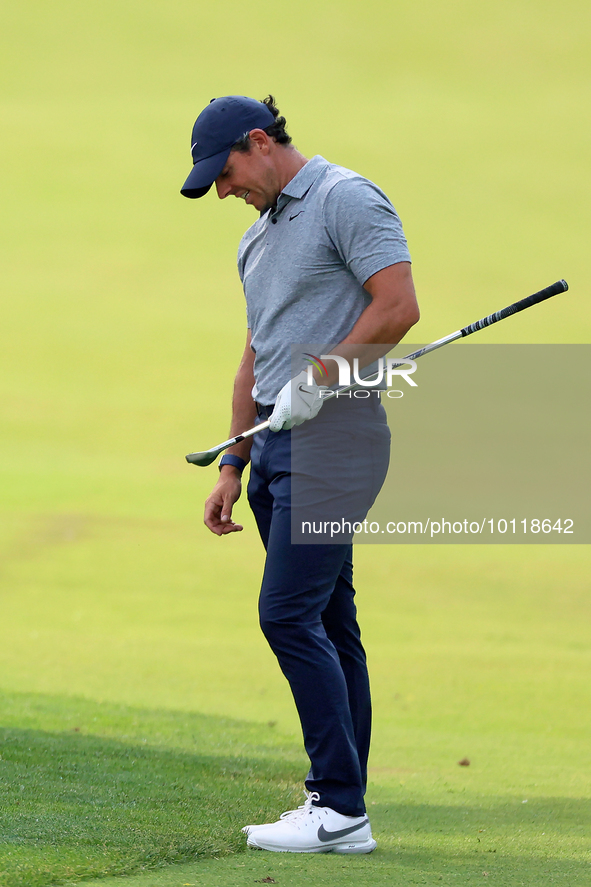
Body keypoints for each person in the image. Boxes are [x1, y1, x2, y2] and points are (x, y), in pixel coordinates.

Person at [181, 95, 419, 854]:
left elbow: (398, 306)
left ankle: (337, 808)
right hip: (275, 449)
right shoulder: (257, 240)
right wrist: (232, 457)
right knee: (326, 620)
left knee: (285, 614)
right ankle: (341, 800)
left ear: (259, 142)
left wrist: (323, 374)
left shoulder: (345, 198)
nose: (224, 192)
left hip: (338, 437)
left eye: (224, 174)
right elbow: (257, 352)